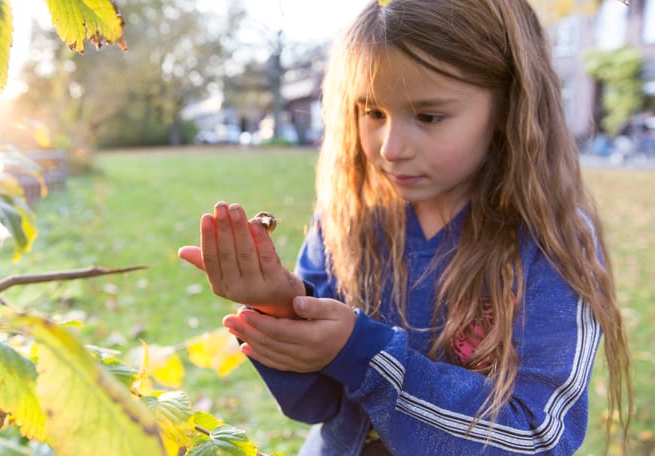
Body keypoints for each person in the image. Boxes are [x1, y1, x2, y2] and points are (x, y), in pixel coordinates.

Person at [178, 0, 632, 454]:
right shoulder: (347, 220)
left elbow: (539, 437)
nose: (391, 147)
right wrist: (278, 309)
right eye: (373, 113)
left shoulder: (549, 242)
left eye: (429, 116)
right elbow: (317, 405)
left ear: (508, 106)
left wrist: (363, 355)